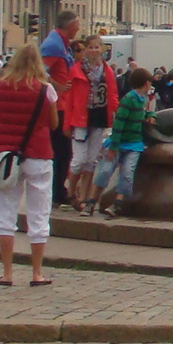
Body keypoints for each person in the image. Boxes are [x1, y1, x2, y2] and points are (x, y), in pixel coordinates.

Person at [0, 43, 59, 285]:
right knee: (39, 215)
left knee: (5, 214)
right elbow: (53, 124)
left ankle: (7, 273)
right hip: (38, 154)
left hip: (8, 157)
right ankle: (36, 272)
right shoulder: (46, 90)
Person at [66, 35, 119, 215]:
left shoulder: (107, 71)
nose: (94, 50)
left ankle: (84, 198)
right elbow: (69, 98)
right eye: (91, 47)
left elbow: (112, 94)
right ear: (85, 50)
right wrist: (66, 124)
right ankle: (71, 192)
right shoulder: (76, 70)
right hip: (80, 119)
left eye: (97, 47)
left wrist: (115, 112)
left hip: (99, 117)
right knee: (78, 161)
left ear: (102, 49)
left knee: (91, 161)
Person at [93, 68, 155, 220]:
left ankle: (118, 202)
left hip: (134, 144)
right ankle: (92, 201)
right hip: (120, 143)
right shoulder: (129, 99)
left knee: (127, 173)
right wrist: (114, 146)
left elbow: (142, 113)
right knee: (105, 171)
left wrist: (151, 115)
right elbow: (119, 122)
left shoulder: (142, 99)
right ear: (146, 84)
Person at [39, 11, 79, 206]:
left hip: (64, 104)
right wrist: (58, 86)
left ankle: (58, 190)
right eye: (76, 24)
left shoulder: (61, 44)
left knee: (64, 152)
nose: (78, 28)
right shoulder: (53, 45)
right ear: (69, 25)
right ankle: (56, 192)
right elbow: (40, 71)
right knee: (60, 152)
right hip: (57, 106)